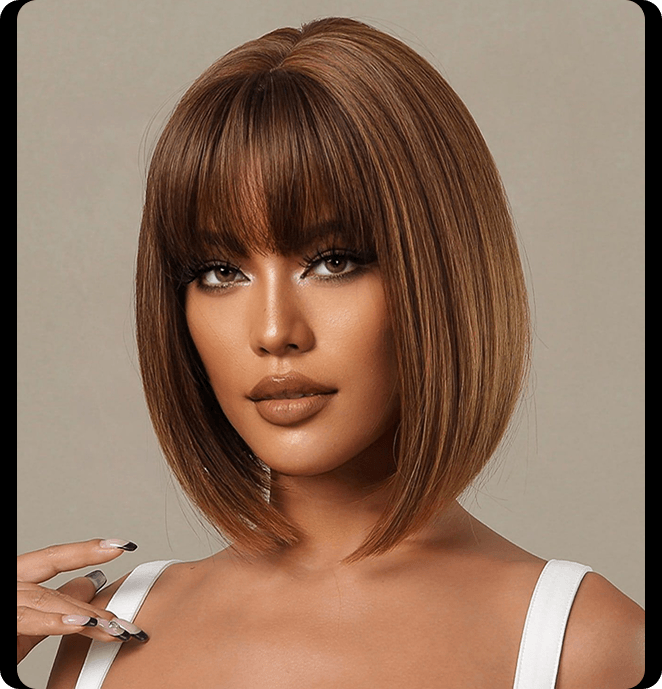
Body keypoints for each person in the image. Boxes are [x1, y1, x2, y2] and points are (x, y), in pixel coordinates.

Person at [17, 16, 644, 689]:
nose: (273, 330)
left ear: (441, 274)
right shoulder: (106, 635)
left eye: (333, 261)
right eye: (221, 271)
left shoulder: (589, 647)